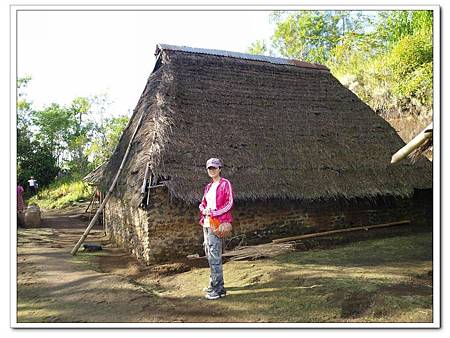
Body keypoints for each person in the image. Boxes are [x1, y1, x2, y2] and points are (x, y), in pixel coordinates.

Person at [199, 157, 234, 300]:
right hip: (206, 223)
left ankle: (219, 289)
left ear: (220, 168)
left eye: (214, 167)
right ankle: (214, 282)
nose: (212, 170)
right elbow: (202, 203)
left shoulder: (225, 184)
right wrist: (203, 210)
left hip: (217, 223)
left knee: (214, 254)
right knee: (208, 252)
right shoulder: (208, 187)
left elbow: (229, 203)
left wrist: (214, 212)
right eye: (209, 168)